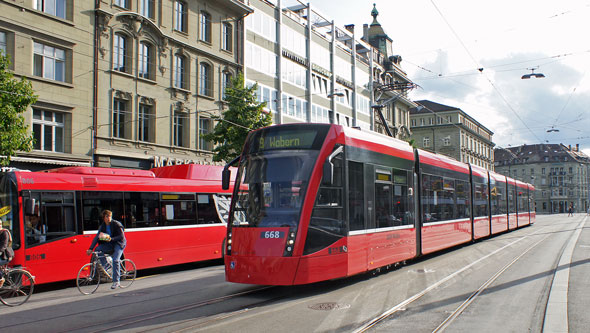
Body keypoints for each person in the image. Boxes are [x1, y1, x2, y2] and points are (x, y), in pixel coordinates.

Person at [87, 210, 126, 289]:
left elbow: (121, 236)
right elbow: (97, 237)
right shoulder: (103, 226)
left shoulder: (116, 224)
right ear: (104, 218)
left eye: (110, 216)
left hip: (119, 244)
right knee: (98, 249)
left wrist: (111, 239)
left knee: (115, 260)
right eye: (107, 216)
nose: (109, 218)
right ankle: (107, 266)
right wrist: (90, 248)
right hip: (110, 244)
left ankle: (116, 281)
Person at [0, 223, 14, 288]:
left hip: (5, 256)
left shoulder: (4, 232)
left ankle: (1, 278)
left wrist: (0, 252)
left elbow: (4, 246)